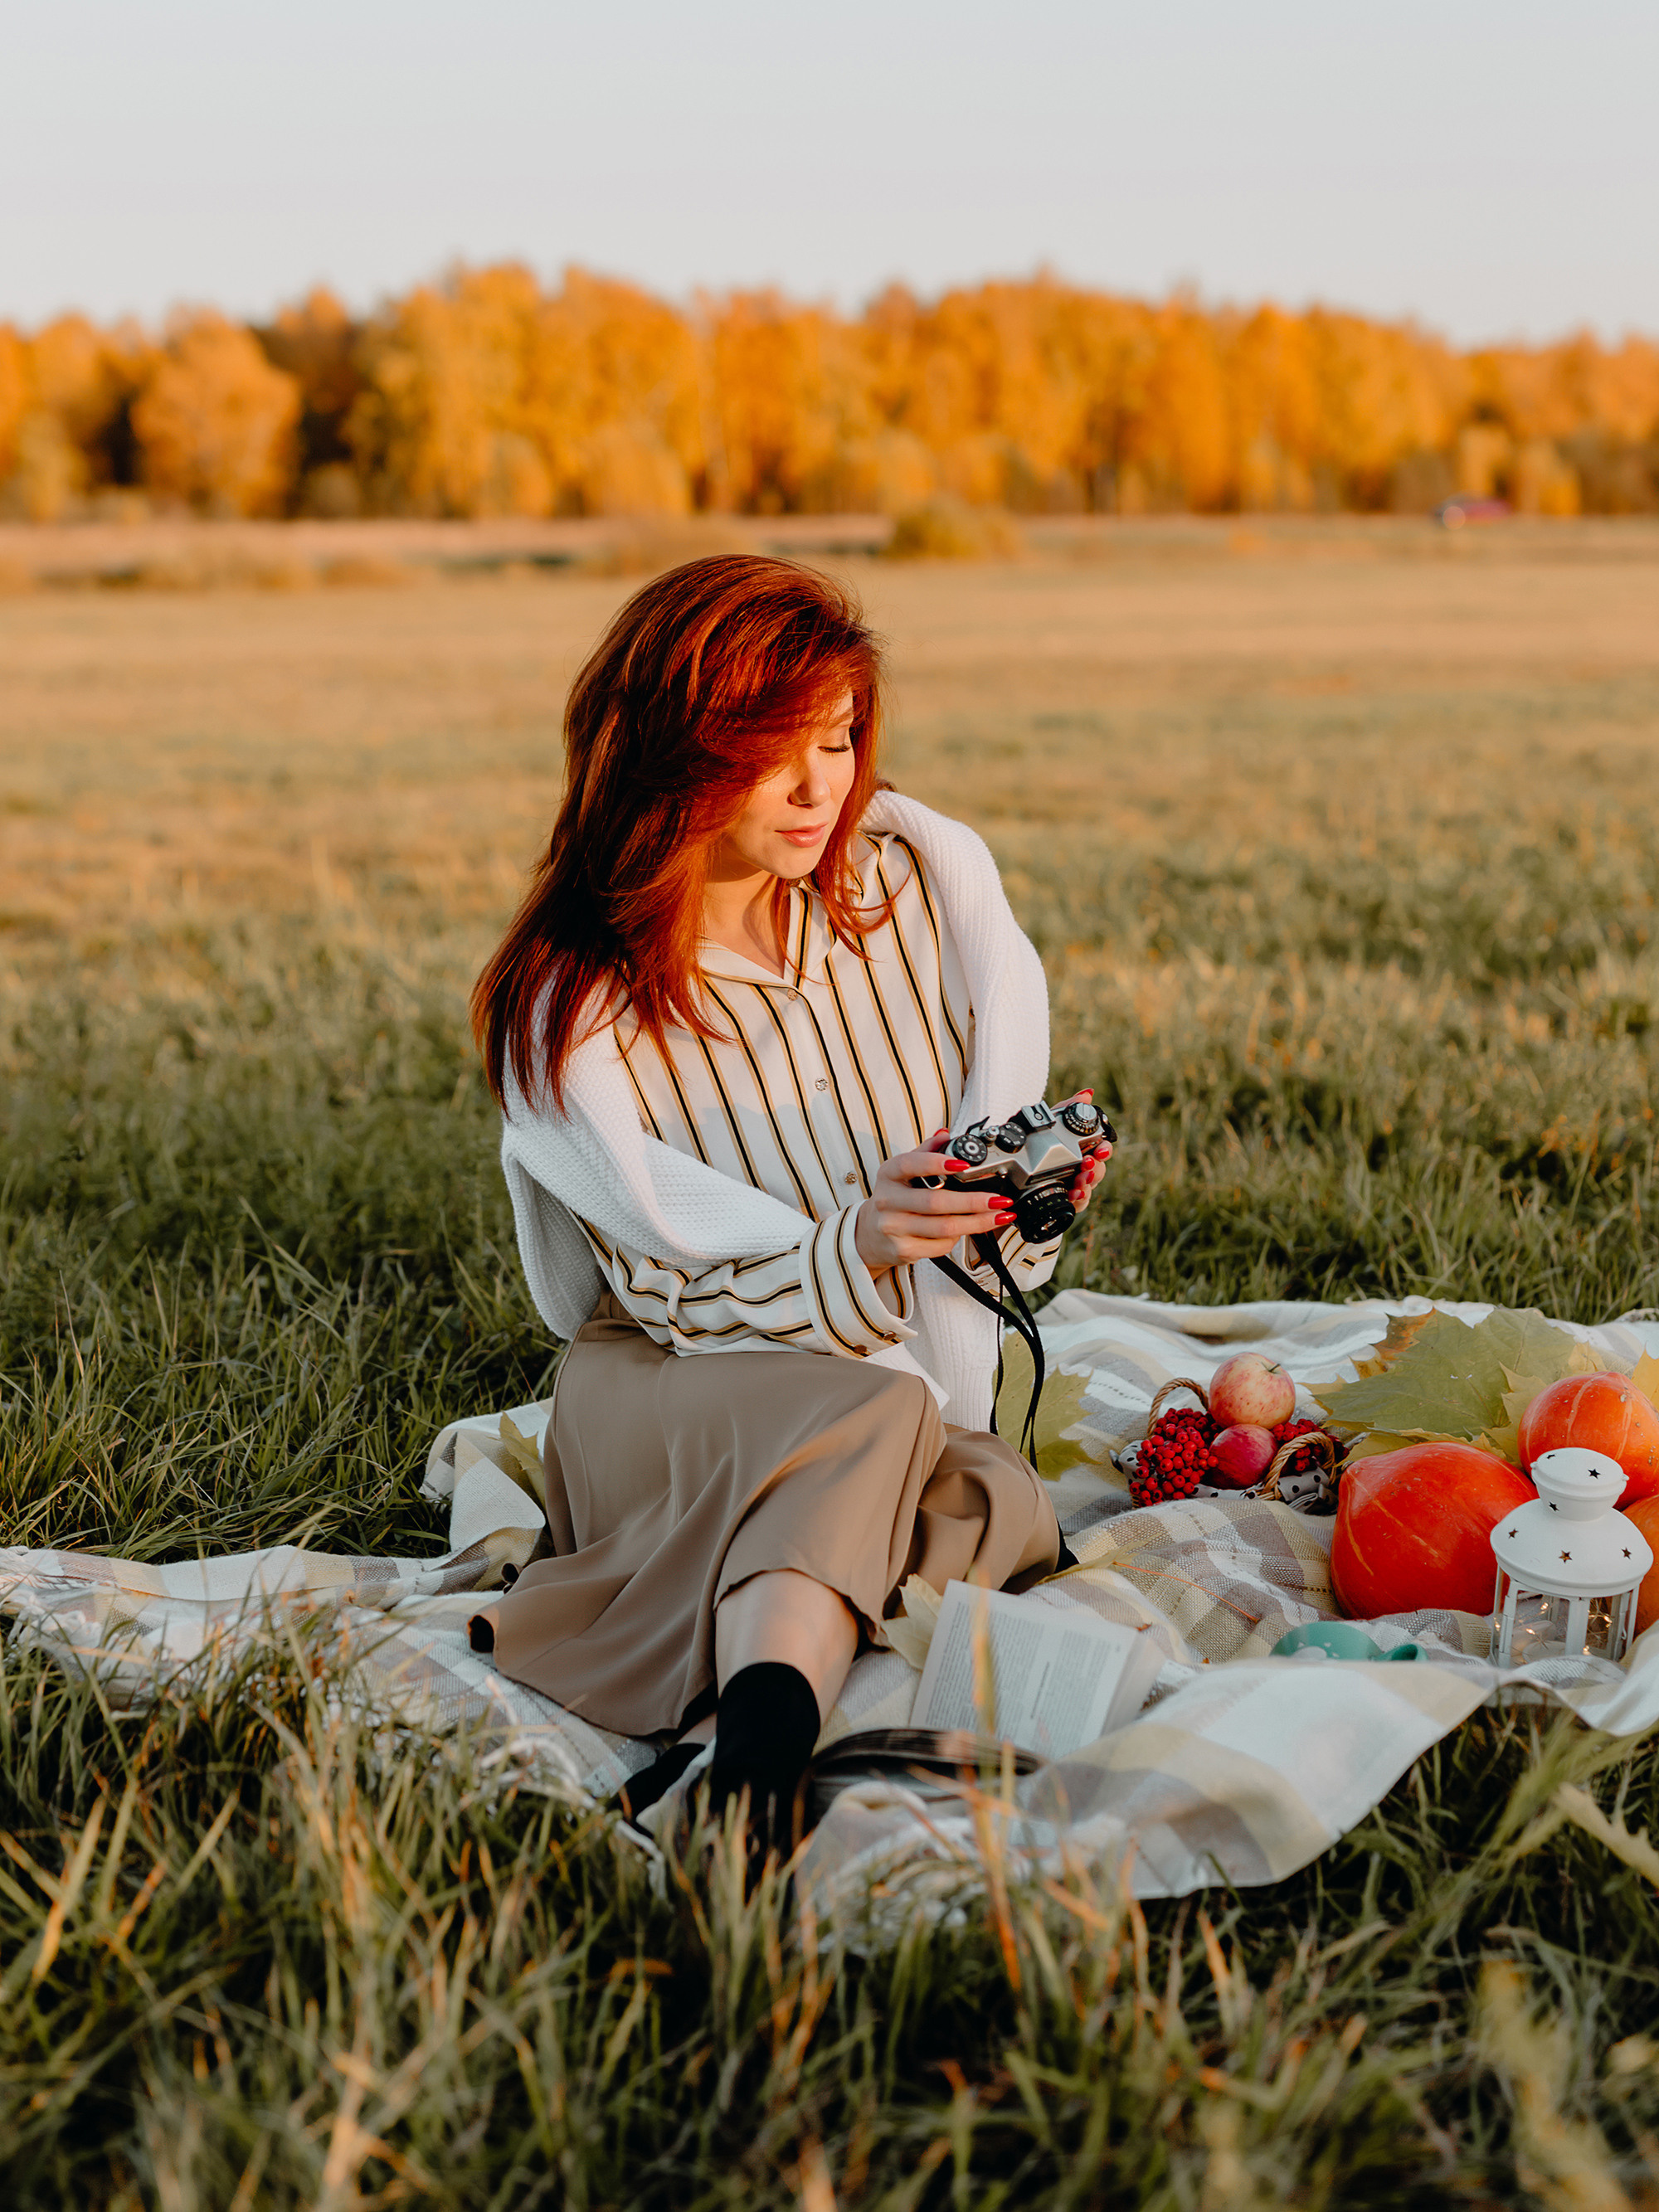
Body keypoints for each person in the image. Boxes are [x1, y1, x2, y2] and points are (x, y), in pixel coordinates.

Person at [468, 555, 1110, 1869]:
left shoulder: (909, 896)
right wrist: (856, 1247)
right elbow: (667, 1289)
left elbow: (969, 1250)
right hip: (670, 1384)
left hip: (878, 1385)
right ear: (676, 752)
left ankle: (734, 1766)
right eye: (780, 753)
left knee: (991, 1494)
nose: (826, 786)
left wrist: (1014, 1210)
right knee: (882, 1430)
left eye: (843, 739)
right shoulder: (576, 1003)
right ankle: (760, 1760)